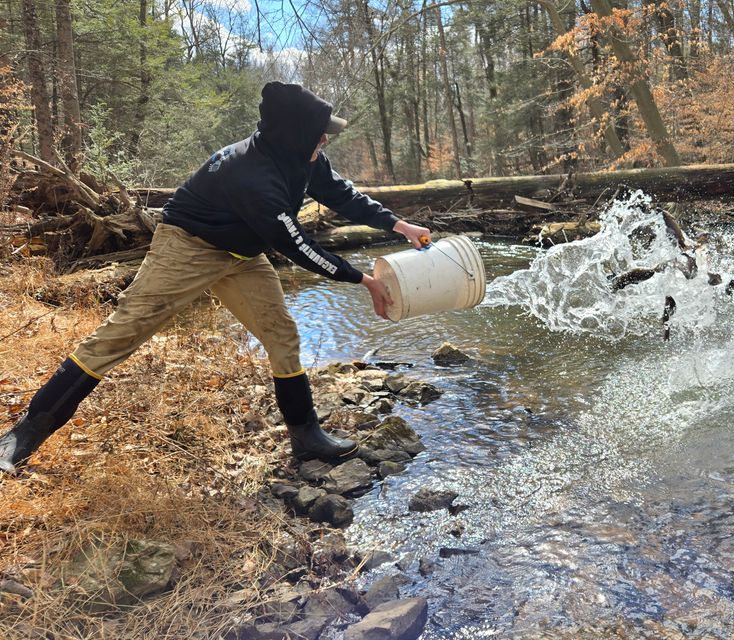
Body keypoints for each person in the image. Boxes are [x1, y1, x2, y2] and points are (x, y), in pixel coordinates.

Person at [0, 81, 432, 475]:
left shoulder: (305, 156)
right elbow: (297, 246)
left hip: (242, 252)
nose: (326, 138)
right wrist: (364, 281)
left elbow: (342, 194)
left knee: (282, 335)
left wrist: (399, 226)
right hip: (188, 246)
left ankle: (307, 438)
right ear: (296, 133)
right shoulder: (252, 175)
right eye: (321, 131)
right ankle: (23, 434)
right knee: (122, 333)